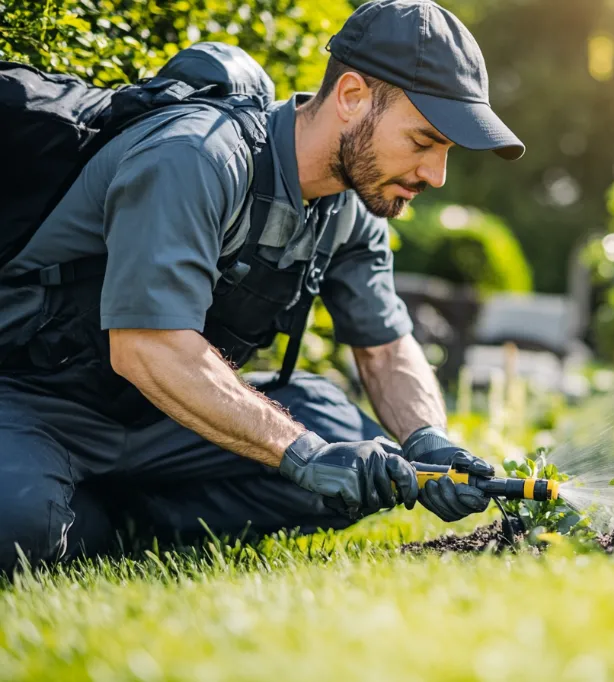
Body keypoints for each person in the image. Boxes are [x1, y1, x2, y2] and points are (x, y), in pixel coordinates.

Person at [0, 0, 525, 572]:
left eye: (445, 151)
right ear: (351, 97)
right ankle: (73, 513)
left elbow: (386, 345)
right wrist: (302, 455)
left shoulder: (351, 210)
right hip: (38, 403)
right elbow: (148, 346)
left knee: (360, 451)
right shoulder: (198, 157)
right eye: (424, 141)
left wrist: (429, 442)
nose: (435, 175)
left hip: (162, 424)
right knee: (16, 523)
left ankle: (116, 516)